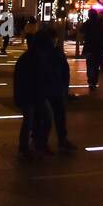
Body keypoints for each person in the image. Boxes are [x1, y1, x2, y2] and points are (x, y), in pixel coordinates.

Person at [15, 28, 54, 159]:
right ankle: (25, 147)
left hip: (38, 94)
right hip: (29, 94)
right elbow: (22, 79)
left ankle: (37, 144)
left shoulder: (41, 57)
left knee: (42, 119)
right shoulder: (30, 58)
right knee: (30, 121)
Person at [44, 23, 77, 152]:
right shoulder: (54, 53)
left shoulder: (54, 53)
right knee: (52, 117)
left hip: (54, 89)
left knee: (55, 117)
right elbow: (65, 72)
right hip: (53, 89)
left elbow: (65, 72)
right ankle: (53, 141)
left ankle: (47, 141)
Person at [81, 9, 103, 91]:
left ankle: (91, 81)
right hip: (98, 49)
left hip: (89, 48)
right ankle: (93, 82)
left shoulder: (88, 23)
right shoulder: (100, 24)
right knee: (96, 66)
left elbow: (81, 30)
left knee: (90, 65)